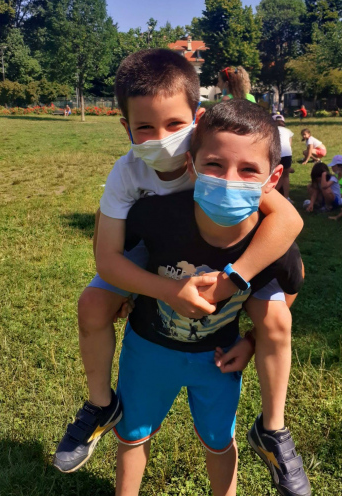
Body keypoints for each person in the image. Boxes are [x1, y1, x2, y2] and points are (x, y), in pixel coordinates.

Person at [53, 49, 305, 476]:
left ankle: (273, 429)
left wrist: (233, 280)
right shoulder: (127, 172)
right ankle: (100, 405)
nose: (162, 137)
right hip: (155, 249)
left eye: (174, 124)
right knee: (92, 304)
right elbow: (107, 257)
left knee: (278, 316)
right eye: (144, 127)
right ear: (126, 128)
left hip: (228, 254)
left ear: (197, 119)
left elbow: (288, 220)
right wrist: (162, 290)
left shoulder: (218, 159)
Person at [115, 101, 310, 496]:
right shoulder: (154, 217)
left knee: (219, 441)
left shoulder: (272, 245)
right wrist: (125, 292)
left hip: (218, 360)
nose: (229, 181)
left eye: (249, 170)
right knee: (132, 436)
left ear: (273, 178)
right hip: (148, 351)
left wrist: (251, 341)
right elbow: (125, 258)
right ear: (191, 165)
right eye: (215, 165)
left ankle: (270, 434)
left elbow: (290, 289)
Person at [273, 114, 294, 201]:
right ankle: (286, 197)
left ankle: (272, 194)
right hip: (287, 154)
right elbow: (289, 144)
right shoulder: (288, 131)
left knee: (275, 175)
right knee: (285, 176)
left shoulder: (271, 130)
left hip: (276, 153)